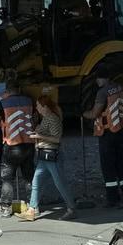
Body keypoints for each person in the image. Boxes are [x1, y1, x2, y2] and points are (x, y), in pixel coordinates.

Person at [20, 91, 76, 221]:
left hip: (51, 155)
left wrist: (38, 136)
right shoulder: (46, 118)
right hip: (43, 155)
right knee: (36, 182)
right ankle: (32, 209)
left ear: (45, 107)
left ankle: (71, 208)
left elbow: (57, 139)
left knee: (60, 183)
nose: (37, 108)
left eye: (38, 105)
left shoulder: (53, 119)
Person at [84, 75, 123, 207]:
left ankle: (113, 199)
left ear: (104, 78)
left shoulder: (103, 92)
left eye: (98, 78)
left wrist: (84, 114)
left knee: (108, 166)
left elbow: (95, 113)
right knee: (120, 164)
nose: (97, 81)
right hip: (120, 130)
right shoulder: (119, 88)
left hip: (108, 132)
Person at [0, 73, 36, 217]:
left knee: (7, 178)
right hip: (29, 144)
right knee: (29, 177)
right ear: (19, 89)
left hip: (11, 144)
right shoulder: (29, 101)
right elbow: (35, 119)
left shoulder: (3, 103)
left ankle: (5, 207)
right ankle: (33, 205)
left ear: (7, 91)